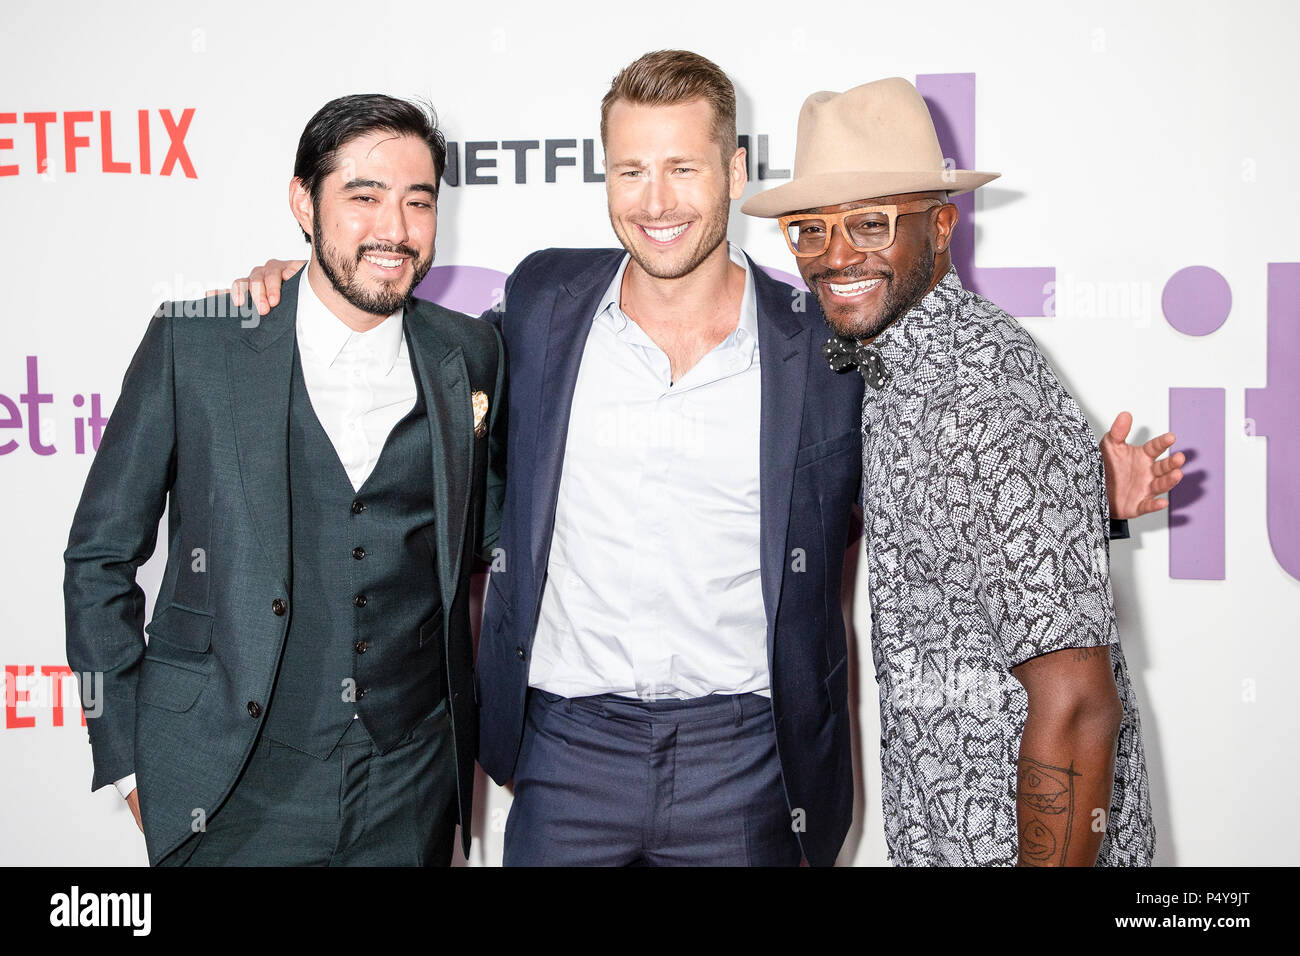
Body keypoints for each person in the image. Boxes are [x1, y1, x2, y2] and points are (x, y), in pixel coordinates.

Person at [234, 52, 1179, 867]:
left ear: (732, 172)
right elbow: (424, 368)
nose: (655, 202)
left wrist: (1070, 486)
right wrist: (311, 286)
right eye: (631, 170)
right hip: (568, 750)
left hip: (749, 757)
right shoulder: (543, 303)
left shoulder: (824, 345)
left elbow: (921, 476)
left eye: (682, 167)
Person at [743, 76, 1177, 865]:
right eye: (809, 229)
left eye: (871, 224)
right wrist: (1091, 504)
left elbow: (1078, 703)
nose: (834, 255)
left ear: (941, 227)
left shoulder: (989, 396)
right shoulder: (883, 369)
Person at [63, 93, 506, 866]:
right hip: (226, 785)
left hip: (409, 789)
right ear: (304, 201)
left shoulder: (470, 353)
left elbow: (498, 533)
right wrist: (131, 765)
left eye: (418, 201)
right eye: (363, 198)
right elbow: (99, 558)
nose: (394, 230)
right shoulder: (196, 344)